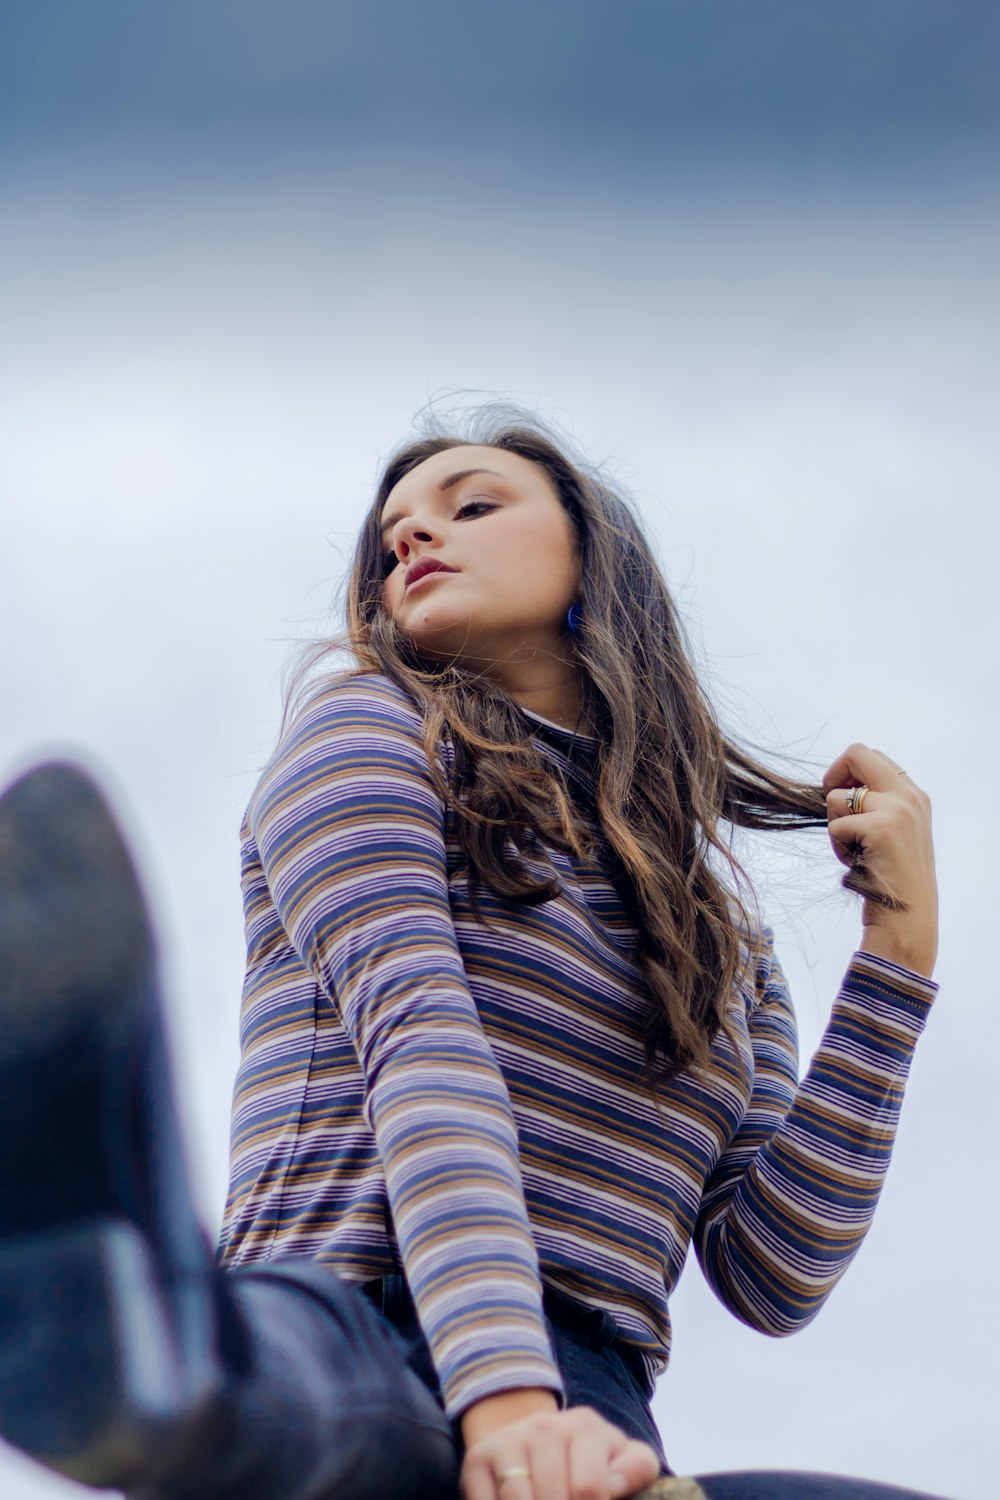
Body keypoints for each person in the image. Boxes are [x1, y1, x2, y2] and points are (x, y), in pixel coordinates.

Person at [0, 409, 946, 1500]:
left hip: (591, 1410)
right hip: (347, 1324)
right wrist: (505, 1404)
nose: (408, 537)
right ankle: (131, 1332)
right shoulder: (366, 729)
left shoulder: (722, 939)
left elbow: (772, 1271)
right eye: (389, 532)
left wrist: (896, 959)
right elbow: (423, 1041)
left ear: (595, 558)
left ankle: (135, 1331)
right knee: (305, 1402)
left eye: (471, 504)